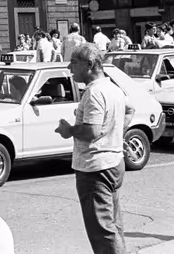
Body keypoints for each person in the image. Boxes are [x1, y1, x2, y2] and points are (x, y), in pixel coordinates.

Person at [56, 43, 134, 254]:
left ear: (89, 65)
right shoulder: (112, 88)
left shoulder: (95, 92)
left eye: (74, 62)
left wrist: (69, 130)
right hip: (112, 163)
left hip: (95, 169)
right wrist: (116, 132)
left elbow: (91, 131)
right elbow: (130, 109)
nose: (70, 67)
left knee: (102, 231)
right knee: (113, 224)